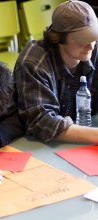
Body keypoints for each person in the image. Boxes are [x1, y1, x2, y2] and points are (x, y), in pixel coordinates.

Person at [14, 0, 98, 143]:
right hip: (41, 145)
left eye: (94, 36)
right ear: (59, 37)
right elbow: (41, 122)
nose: (90, 46)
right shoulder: (34, 62)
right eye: (83, 39)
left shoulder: (94, 47)